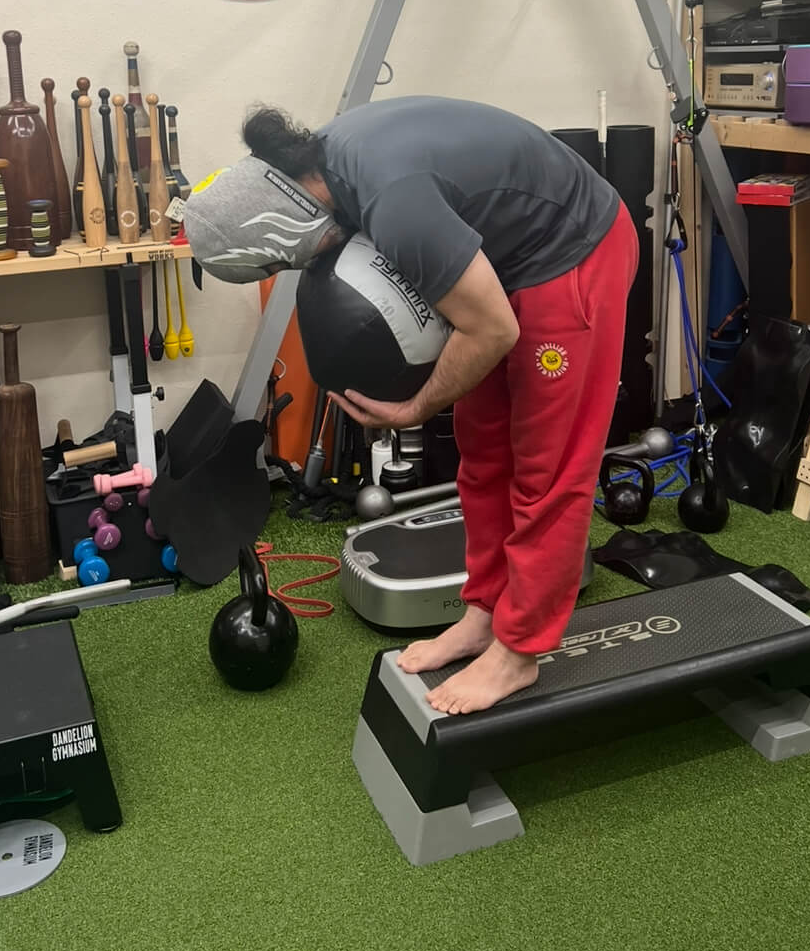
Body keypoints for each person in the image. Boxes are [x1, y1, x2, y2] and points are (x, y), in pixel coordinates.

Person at [185, 96, 637, 714]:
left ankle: (519, 650)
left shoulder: (393, 201)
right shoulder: (321, 166)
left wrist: (415, 408)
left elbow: (492, 330)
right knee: (484, 455)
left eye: (277, 261)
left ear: (273, 232)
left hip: (573, 251)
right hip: (506, 264)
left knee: (547, 471)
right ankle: (484, 614)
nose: (294, 266)